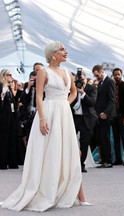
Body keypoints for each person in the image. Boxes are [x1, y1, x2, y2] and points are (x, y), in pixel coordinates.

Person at [1, 41, 90, 212]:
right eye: (62, 49)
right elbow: (39, 96)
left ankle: (80, 196)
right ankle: (47, 191)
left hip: (64, 113)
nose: (66, 51)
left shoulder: (67, 72)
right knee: (50, 151)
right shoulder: (43, 72)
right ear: (52, 54)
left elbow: (73, 92)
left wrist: (65, 103)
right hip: (49, 113)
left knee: (70, 150)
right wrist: (42, 119)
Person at [71, 71, 97, 173]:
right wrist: (75, 91)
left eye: (82, 79)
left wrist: (82, 93)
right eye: (78, 79)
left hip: (87, 119)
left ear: (86, 79)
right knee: (71, 141)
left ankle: (81, 164)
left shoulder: (92, 88)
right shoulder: (72, 88)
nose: (80, 81)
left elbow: (92, 103)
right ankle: (71, 163)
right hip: (74, 118)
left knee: (84, 143)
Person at [92, 64, 116, 168]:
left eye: (97, 75)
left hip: (105, 115)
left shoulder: (109, 82)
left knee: (105, 138)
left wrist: (106, 113)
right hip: (99, 115)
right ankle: (104, 160)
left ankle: (108, 161)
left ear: (101, 72)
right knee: (101, 138)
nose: (96, 77)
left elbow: (112, 100)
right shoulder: (101, 82)